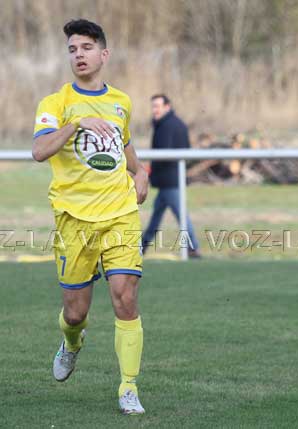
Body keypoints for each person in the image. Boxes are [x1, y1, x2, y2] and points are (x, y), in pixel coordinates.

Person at [32, 19, 149, 415]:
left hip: (120, 213)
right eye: (72, 49)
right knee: (75, 313)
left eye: (86, 47)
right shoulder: (55, 103)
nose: (78, 55)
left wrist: (141, 172)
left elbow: (124, 146)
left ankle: (128, 387)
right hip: (74, 219)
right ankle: (72, 342)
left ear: (104, 53)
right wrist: (76, 124)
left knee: (125, 297)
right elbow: (40, 151)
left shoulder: (121, 102)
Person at [142, 94, 201, 257]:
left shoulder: (167, 125)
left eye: (157, 106)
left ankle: (193, 248)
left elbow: (164, 154)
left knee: (181, 216)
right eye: (153, 106)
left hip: (170, 181)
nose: (154, 110)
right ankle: (142, 246)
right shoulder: (172, 123)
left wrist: (149, 171)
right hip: (169, 180)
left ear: (167, 107)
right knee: (156, 217)